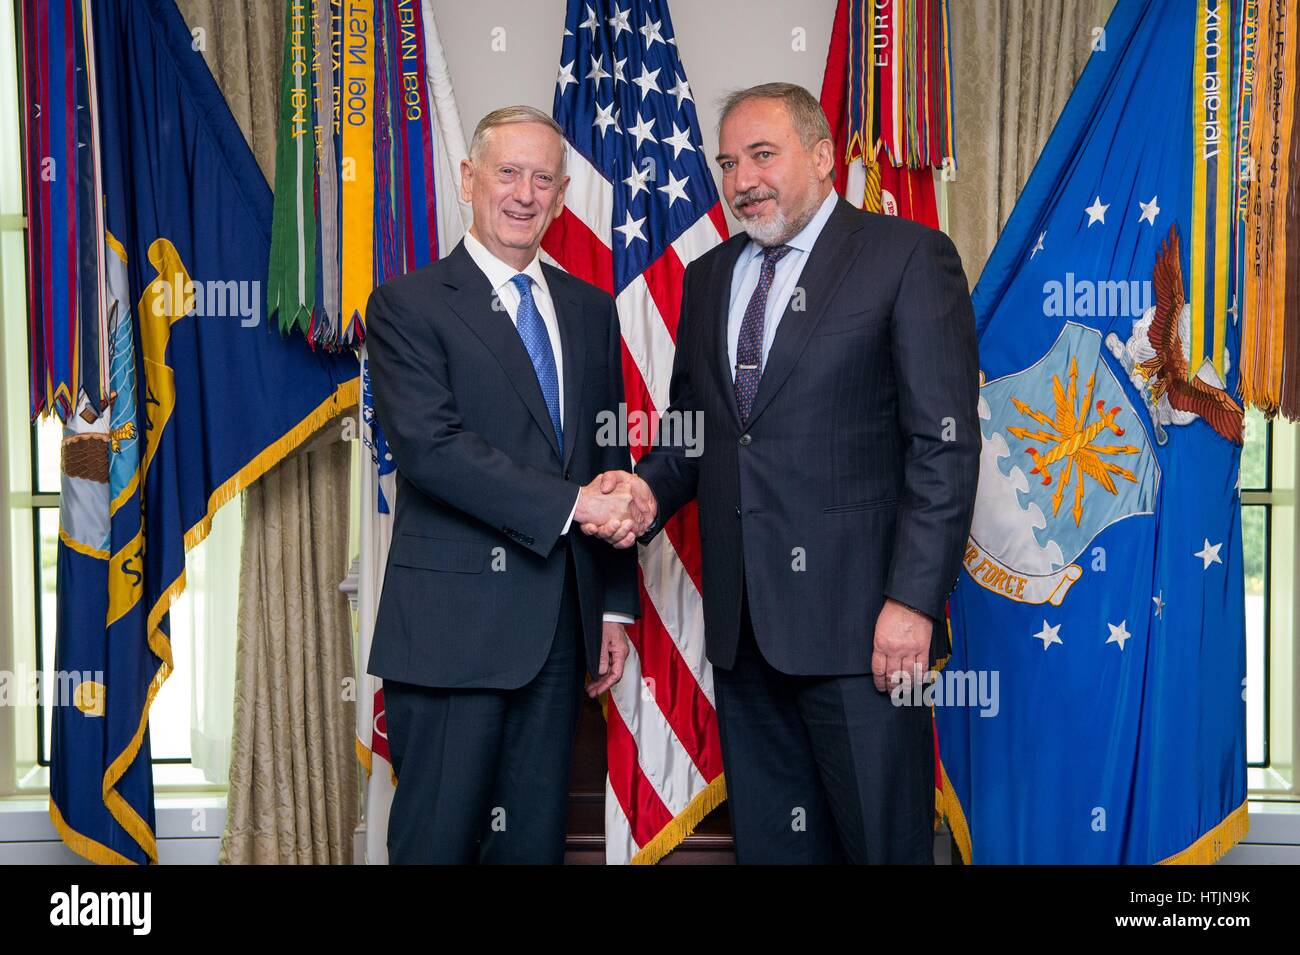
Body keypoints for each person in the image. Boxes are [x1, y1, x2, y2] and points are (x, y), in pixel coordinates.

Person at [604, 82, 981, 863]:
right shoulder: (708, 280)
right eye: (728, 162)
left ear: (820, 157)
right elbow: (697, 429)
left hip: (866, 636)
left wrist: (911, 601)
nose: (743, 180)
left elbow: (943, 446)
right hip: (745, 639)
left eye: (763, 155)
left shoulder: (907, 257)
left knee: (884, 848)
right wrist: (645, 489)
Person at [364, 105, 641, 864]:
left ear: (560, 197)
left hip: (561, 635)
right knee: (437, 845)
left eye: (542, 179)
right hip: (452, 634)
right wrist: (577, 505)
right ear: (469, 179)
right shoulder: (407, 305)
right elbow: (432, 450)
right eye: (508, 172)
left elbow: (604, 454)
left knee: (531, 848)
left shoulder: (589, 310)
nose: (524, 193)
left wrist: (613, 603)